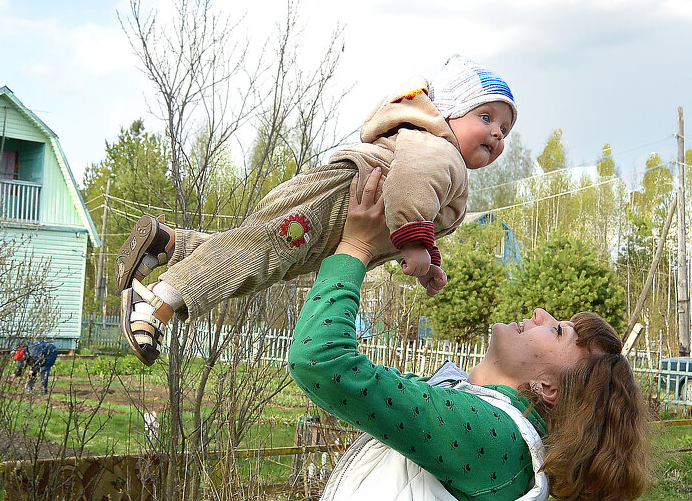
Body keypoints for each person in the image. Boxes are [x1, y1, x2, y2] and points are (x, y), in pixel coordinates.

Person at [248, 168, 652, 501]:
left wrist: (354, 249)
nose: (542, 315)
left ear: (548, 387)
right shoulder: (481, 420)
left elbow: (323, 360)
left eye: (560, 332)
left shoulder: (492, 437)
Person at [115, 55, 518, 366]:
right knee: (260, 253)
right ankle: (157, 301)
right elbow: (412, 185)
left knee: (263, 257)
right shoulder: (437, 146)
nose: (497, 133)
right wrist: (416, 244)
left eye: (505, 129)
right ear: (447, 113)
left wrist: (426, 261)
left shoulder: (445, 158)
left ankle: (169, 244)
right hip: (336, 198)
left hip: (339, 220)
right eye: (485, 117)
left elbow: (422, 204)